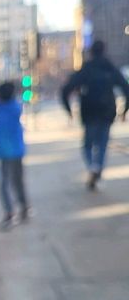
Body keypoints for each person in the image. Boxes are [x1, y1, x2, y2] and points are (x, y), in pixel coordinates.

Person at [62, 40, 129, 190]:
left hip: (90, 113)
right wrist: (124, 111)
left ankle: (93, 167)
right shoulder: (110, 68)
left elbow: (66, 89)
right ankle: (97, 167)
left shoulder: (87, 69)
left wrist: (69, 111)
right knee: (102, 145)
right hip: (107, 113)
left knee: (88, 145)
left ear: (91, 51)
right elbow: (126, 89)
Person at [0, 81, 29, 229]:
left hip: (5, 154)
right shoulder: (15, 107)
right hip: (17, 151)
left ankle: (10, 212)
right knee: (18, 181)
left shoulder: (2, 112)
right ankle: (23, 207)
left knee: (4, 184)